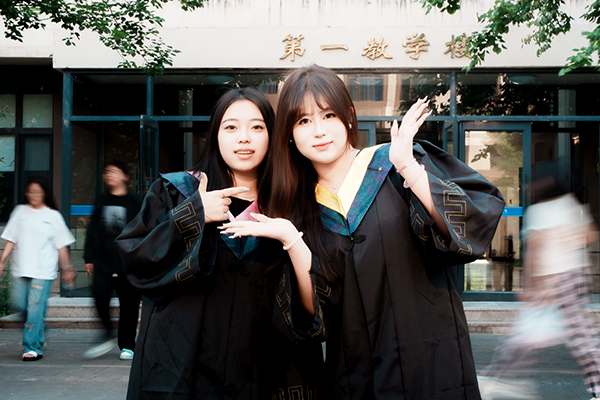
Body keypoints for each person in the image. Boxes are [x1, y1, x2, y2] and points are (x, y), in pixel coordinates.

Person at [221, 65, 506, 399]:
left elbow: (471, 227)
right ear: (290, 134)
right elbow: (314, 316)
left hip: (430, 362)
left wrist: (410, 169)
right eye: (304, 121)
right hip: (355, 375)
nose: (318, 131)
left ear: (349, 117)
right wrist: (292, 240)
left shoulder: (394, 164)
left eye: (328, 115)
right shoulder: (299, 210)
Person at [116, 87, 324, 399]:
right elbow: (136, 262)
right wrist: (193, 215)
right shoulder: (176, 192)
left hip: (265, 371)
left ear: (272, 135)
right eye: (231, 127)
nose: (244, 138)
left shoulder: (291, 205)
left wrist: (290, 237)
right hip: (185, 369)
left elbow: (317, 301)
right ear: (215, 135)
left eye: (257, 127)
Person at [478, 161, 600, 400]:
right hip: (574, 276)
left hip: (552, 278)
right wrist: (566, 236)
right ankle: (498, 378)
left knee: (527, 331)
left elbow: (534, 251)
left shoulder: (540, 211)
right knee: (578, 335)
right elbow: (590, 234)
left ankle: (497, 377)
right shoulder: (570, 204)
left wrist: (530, 286)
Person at [0, 176, 76, 362]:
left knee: (34, 309)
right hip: (21, 269)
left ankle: (32, 348)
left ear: (44, 193)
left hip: (43, 271)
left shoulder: (53, 216)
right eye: (30, 192)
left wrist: (67, 268)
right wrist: (2, 261)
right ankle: (38, 330)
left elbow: (61, 245)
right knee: (20, 306)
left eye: (37, 192)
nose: (33, 195)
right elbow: (11, 238)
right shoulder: (20, 211)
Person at [83, 160, 142, 360]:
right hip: (103, 262)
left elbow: (145, 229)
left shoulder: (136, 202)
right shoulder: (101, 201)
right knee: (99, 296)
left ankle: (127, 346)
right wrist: (88, 257)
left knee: (129, 305)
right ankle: (107, 332)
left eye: (114, 171)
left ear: (125, 176)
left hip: (129, 262)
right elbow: (93, 230)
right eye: (107, 171)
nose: (109, 175)